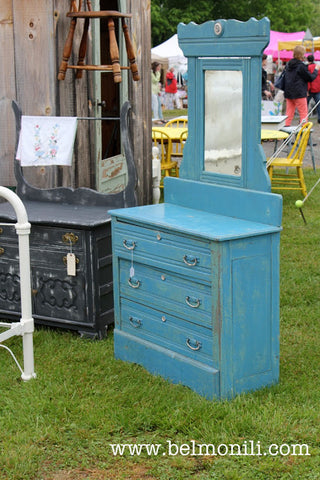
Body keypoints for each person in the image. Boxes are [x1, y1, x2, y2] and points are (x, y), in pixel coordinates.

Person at [283, 45, 318, 126]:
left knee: (289, 114)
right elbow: (310, 78)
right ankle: (304, 131)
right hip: (299, 92)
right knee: (303, 113)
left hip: (289, 92)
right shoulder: (301, 66)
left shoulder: (288, 65)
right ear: (302, 54)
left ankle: (286, 131)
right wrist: (316, 70)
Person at [307, 54, 320, 123]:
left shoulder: (308, 68)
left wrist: (307, 90)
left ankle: (304, 118)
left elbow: (308, 80)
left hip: (311, 89)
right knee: (318, 104)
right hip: (318, 88)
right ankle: (319, 118)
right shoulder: (317, 67)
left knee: (305, 104)